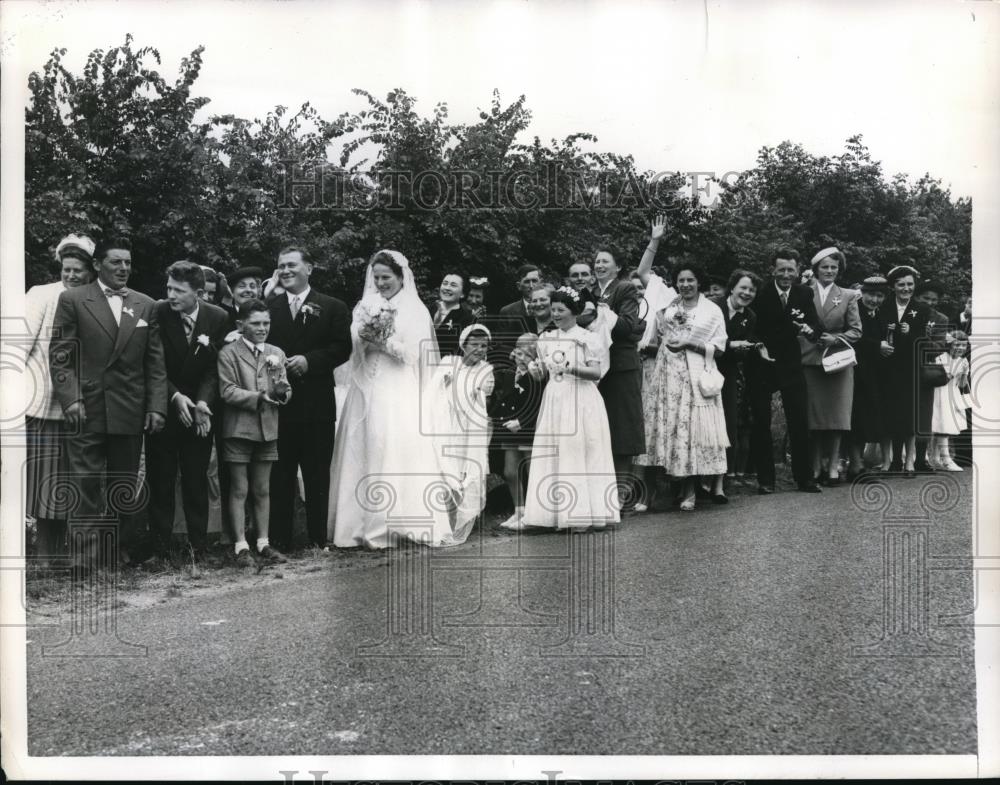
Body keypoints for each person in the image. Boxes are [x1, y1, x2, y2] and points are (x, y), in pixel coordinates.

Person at [329, 250, 475, 549]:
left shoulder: (415, 310)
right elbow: (352, 344)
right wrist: (364, 337)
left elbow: (414, 354)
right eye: (377, 277)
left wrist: (386, 342)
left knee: (392, 443)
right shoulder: (365, 305)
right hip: (366, 381)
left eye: (387, 277)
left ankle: (397, 523)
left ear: (400, 277)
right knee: (364, 443)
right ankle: (356, 525)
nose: (381, 283)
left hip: (396, 384)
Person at [50, 237, 168, 574]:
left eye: (128, 263)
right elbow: (61, 355)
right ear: (99, 264)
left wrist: (156, 406)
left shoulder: (145, 304)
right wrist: (70, 398)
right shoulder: (73, 299)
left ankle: (117, 553)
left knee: (123, 484)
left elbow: (155, 363)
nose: (124, 269)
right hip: (87, 406)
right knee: (85, 483)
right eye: (116, 262)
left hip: (129, 408)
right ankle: (83, 561)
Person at [266, 246, 352, 551]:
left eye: (291, 265)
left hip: (316, 404)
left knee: (316, 474)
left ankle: (317, 539)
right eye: (280, 267)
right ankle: (279, 540)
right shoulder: (270, 308)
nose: (285, 271)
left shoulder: (332, 306)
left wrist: (310, 361)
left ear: (309, 269)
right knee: (280, 475)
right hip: (279, 406)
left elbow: (342, 348)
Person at [145, 261, 230, 560]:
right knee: (162, 479)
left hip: (199, 412)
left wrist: (203, 403)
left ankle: (199, 546)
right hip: (166, 405)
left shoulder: (218, 317)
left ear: (198, 293)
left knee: (197, 478)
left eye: (178, 290)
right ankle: (160, 548)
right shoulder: (159, 311)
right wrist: (175, 396)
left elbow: (213, 367)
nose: (171, 294)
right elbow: (153, 363)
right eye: (169, 287)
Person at [519, 288, 619, 530]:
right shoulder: (546, 339)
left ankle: (581, 513)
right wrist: (534, 370)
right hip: (555, 398)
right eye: (553, 310)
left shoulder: (588, 338)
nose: (555, 314)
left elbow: (595, 372)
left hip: (580, 398)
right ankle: (551, 514)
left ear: (573, 312)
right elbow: (544, 372)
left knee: (577, 451)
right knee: (555, 451)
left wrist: (570, 368)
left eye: (560, 310)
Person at [24, 234, 95, 563]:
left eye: (78, 270)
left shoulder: (94, 299)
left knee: (72, 481)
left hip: (80, 405)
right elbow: (19, 346)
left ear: (90, 271)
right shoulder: (42, 295)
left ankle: (68, 551)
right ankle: (43, 553)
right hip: (42, 404)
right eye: (67, 269)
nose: (71, 275)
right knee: (44, 482)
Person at [644, 262, 730, 510]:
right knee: (673, 429)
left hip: (696, 374)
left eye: (690, 280)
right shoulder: (670, 305)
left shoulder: (712, 310)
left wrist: (689, 345)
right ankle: (673, 486)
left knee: (692, 430)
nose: (685, 285)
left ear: (698, 282)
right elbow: (662, 331)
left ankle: (691, 489)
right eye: (681, 280)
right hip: (668, 373)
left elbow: (720, 347)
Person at [217, 300, 291, 566]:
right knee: (240, 489)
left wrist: (283, 393)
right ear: (241, 325)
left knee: (262, 489)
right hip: (239, 429)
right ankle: (240, 546)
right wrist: (261, 396)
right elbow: (227, 391)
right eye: (256, 323)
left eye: (266, 323)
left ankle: (263, 542)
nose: (262, 328)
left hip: (268, 429)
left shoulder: (276, 352)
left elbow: (285, 388)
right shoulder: (229, 353)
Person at [746, 250, 823, 494]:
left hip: (791, 364)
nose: (786, 275)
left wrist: (810, 332)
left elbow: (816, 326)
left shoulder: (804, 293)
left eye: (791, 270)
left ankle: (805, 478)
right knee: (761, 422)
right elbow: (750, 326)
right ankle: (766, 480)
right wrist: (759, 346)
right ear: (773, 270)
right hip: (762, 363)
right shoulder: (760, 293)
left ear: (798, 271)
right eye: (782, 270)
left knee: (799, 420)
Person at [800, 247, 862, 486]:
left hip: (838, 361)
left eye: (833, 267)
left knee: (837, 417)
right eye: (824, 267)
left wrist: (836, 339)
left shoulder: (848, 295)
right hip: (810, 358)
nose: (829, 271)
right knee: (814, 416)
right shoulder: (804, 292)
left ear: (839, 270)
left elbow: (856, 330)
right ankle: (816, 466)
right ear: (816, 269)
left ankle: (834, 465)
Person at [590, 247, 646, 510]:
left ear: (617, 267)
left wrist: (602, 313)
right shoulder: (590, 292)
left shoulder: (625, 289)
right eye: (597, 261)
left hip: (621, 367)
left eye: (605, 261)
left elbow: (627, 326)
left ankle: (621, 493)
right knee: (599, 430)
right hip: (595, 368)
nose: (599, 265)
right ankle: (601, 490)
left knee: (622, 430)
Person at [629, 216, 678, 510]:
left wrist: (654, 241)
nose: (639, 288)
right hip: (629, 373)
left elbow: (673, 338)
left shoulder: (665, 299)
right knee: (634, 432)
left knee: (654, 431)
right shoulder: (624, 307)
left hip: (654, 372)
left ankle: (654, 491)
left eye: (642, 286)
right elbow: (639, 272)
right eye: (634, 286)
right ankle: (633, 491)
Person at [431, 324, 495, 538]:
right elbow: (433, 391)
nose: (479, 349)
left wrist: (479, 391)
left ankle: (460, 518)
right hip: (447, 425)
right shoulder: (449, 363)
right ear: (464, 345)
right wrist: (443, 384)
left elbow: (484, 395)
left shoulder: (486, 369)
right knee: (444, 469)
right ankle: (443, 517)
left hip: (470, 428)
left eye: (484, 346)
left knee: (465, 470)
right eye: (474, 344)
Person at [716, 269, 768, 487]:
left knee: (728, 423)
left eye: (752, 290)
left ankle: (722, 478)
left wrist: (756, 348)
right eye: (743, 288)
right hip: (702, 368)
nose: (747, 293)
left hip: (727, 372)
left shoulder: (750, 316)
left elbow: (743, 346)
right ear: (732, 288)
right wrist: (730, 345)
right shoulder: (714, 306)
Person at [878, 264, 929, 477]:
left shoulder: (922, 309)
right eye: (901, 284)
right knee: (886, 414)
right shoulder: (883, 305)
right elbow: (875, 330)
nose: (906, 288)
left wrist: (911, 333)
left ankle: (909, 462)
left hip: (909, 370)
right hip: (886, 368)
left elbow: (924, 342)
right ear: (893, 286)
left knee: (909, 416)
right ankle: (887, 461)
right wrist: (880, 344)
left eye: (910, 284)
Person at [490, 333, 546, 529]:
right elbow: (504, 399)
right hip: (509, 429)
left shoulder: (538, 376)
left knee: (531, 470)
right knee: (510, 471)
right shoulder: (509, 372)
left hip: (527, 428)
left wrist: (522, 422)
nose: (520, 357)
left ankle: (534, 513)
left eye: (526, 353)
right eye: (518, 351)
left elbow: (539, 404)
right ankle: (519, 510)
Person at [848, 276, 892, 475]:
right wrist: (877, 346)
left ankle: (860, 462)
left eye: (880, 296)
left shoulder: (880, 314)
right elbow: (852, 337)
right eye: (871, 295)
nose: (875, 300)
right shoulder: (853, 310)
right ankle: (855, 464)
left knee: (868, 416)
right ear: (862, 293)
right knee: (856, 416)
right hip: (855, 369)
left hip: (875, 372)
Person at [913, 279, 953, 472]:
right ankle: (901, 458)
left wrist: (921, 337)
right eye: (925, 298)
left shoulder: (940, 319)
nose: (929, 302)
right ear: (917, 297)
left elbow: (938, 348)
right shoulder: (908, 313)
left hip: (924, 370)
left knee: (923, 415)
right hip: (901, 368)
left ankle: (921, 459)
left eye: (933, 299)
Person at [928, 330, 970, 471]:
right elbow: (938, 379)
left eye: (963, 345)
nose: (960, 348)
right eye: (957, 344)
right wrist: (952, 373)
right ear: (950, 345)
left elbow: (963, 385)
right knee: (940, 426)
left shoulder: (963, 361)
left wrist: (964, 373)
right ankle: (946, 459)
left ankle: (936, 458)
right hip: (939, 393)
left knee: (944, 426)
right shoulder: (940, 358)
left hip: (952, 394)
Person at [431, 271, 475, 357]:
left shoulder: (467, 319)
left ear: (462, 294)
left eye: (453, 285)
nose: (447, 288)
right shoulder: (428, 309)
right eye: (445, 283)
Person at [498, 265, 543, 349]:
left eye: (534, 281)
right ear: (519, 286)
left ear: (541, 282)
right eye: (526, 282)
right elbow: (503, 346)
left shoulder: (549, 310)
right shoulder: (507, 312)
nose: (531, 286)